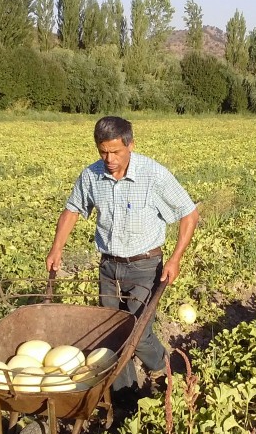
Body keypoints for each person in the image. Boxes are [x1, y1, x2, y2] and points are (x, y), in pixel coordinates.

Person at [46, 115, 199, 396]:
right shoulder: (92, 175)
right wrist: (57, 248)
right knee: (112, 337)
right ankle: (126, 400)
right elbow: (72, 210)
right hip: (109, 267)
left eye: (115, 151)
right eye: (103, 151)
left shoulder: (152, 175)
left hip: (145, 266)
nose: (109, 158)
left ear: (130, 145)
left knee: (136, 333)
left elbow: (189, 213)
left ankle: (171, 371)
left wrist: (175, 259)